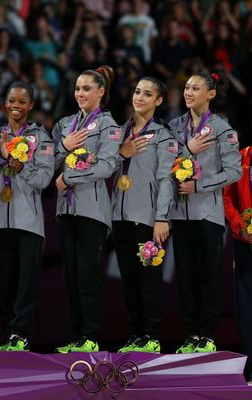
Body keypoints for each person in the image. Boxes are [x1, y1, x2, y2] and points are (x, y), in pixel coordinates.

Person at [169, 70, 242, 353]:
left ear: (210, 94)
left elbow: (234, 171)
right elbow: (165, 162)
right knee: (186, 276)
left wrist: (199, 186)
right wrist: (187, 149)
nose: (188, 92)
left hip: (208, 215)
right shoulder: (175, 126)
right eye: (186, 87)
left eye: (195, 88)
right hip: (180, 213)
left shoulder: (223, 129)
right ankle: (190, 334)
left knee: (208, 276)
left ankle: (208, 335)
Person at [52, 65, 122, 353]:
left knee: (88, 273)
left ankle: (90, 336)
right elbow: (47, 161)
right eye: (78, 88)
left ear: (101, 92)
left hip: (92, 211)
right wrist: (62, 147)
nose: (80, 93)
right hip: (66, 210)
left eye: (86, 88)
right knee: (70, 275)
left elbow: (106, 166)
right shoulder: (65, 125)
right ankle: (77, 336)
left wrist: (69, 177)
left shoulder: (109, 126)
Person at [112, 77, 177, 353]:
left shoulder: (163, 136)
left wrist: (162, 217)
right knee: (129, 280)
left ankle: (150, 336)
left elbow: (166, 179)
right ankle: (136, 334)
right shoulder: (119, 132)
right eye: (137, 91)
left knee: (148, 280)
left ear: (158, 101)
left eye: (147, 94)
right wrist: (119, 152)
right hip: (120, 217)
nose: (139, 97)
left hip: (148, 219)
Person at [0, 81, 54, 352]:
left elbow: (45, 178)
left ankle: (20, 334)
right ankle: (9, 336)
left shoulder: (41, 138)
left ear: (31, 106)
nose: (16, 105)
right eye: (11, 100)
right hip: (0, 220)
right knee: (7, 281)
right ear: (5, 104)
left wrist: (21, 166)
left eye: (22, 101)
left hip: (28, 220)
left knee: (26, 283)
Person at [223, 145, 252, 385]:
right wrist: (238, 224)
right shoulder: (242, 157)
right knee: (247, 308)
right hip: (245, 243)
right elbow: (227, 197)